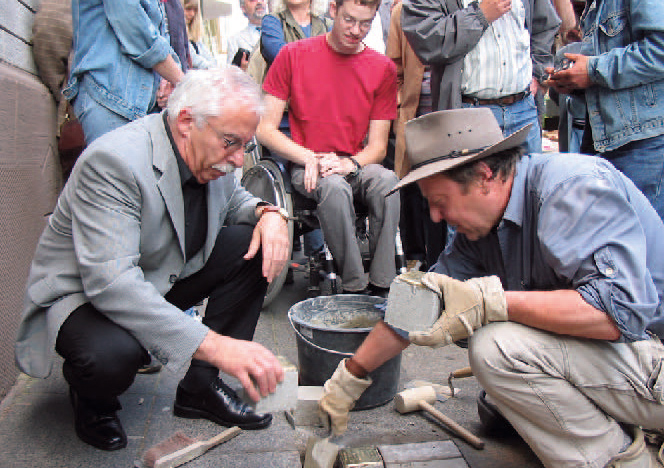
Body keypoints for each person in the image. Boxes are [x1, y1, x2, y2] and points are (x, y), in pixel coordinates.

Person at [318, 107, 664, 467]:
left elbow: (619, 312)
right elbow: (420, 305)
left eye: (440, 203)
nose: (435, 217)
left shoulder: (569, 189)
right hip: (626, 363)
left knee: (496, 350)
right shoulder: (481, 228)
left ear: (484, 177)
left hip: (652, 356)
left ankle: (623, 462)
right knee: (496, 408)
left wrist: (493, 302)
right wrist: (350, 378)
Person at [15, 67, 290, 451]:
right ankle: (93, 401)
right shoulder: (114, 162)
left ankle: (201, 387)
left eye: (246, 145)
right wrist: (214, 344)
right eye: (231, 143)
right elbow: (112, 284)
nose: (239, 160)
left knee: (253, 243)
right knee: (112, 356)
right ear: (185, 122)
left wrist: (269, 214)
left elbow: (234, 201)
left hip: (157, 276)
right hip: (85, 296)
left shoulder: (214, 149)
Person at [257, 0, 400, 296]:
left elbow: (377, 147)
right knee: (334, 187)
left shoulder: (382, 68)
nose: (356, 30)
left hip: (354, 161)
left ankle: (384, 284)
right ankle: (354, 286)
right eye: (349, 19)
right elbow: (264, 129)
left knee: (388, 182)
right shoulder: (292, 55)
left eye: (365, 23)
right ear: (333, 10)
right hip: (307, 162)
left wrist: (352, 163)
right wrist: (308, 157)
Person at [546, 0, 664, 223]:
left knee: (640, 245)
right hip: (610, 140)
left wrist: (592, 71)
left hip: (644, 145)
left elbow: (660, 50)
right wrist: (576, 82)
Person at [400, 0, 560, 155]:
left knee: (528, 181)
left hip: (524, 109)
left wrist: (538, 73)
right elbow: (427, 40)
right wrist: (480, 16)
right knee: (474, 182)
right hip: (468, 115)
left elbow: (546, 25)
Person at [63, 0, 184, 144]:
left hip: (141, 106)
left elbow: (159, 34)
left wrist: (167, 80)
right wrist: (182, 82)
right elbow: (132, 23)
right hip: (110, 100)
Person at [386, 0, 444, 270]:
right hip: (414, 114)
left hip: (449, 116)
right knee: (413, 189)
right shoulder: (403, 11)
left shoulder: (460, 8)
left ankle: (440, 262)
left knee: (442, 190)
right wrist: (400, 102)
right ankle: (416, 260)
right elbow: (394, 67)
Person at [226, 0, 268, 66]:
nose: (259, 2)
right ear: (243, 8)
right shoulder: (234, 40)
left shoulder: (281, 30)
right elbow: (231, 74)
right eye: (253, 0)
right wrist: (242, 72)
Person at [183, 0, 218, 70]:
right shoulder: (178, 37)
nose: (192, 14)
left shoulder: (196, 39)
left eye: (195, 10)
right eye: (188, 9)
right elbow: (193, 59)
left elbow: (210, 58)